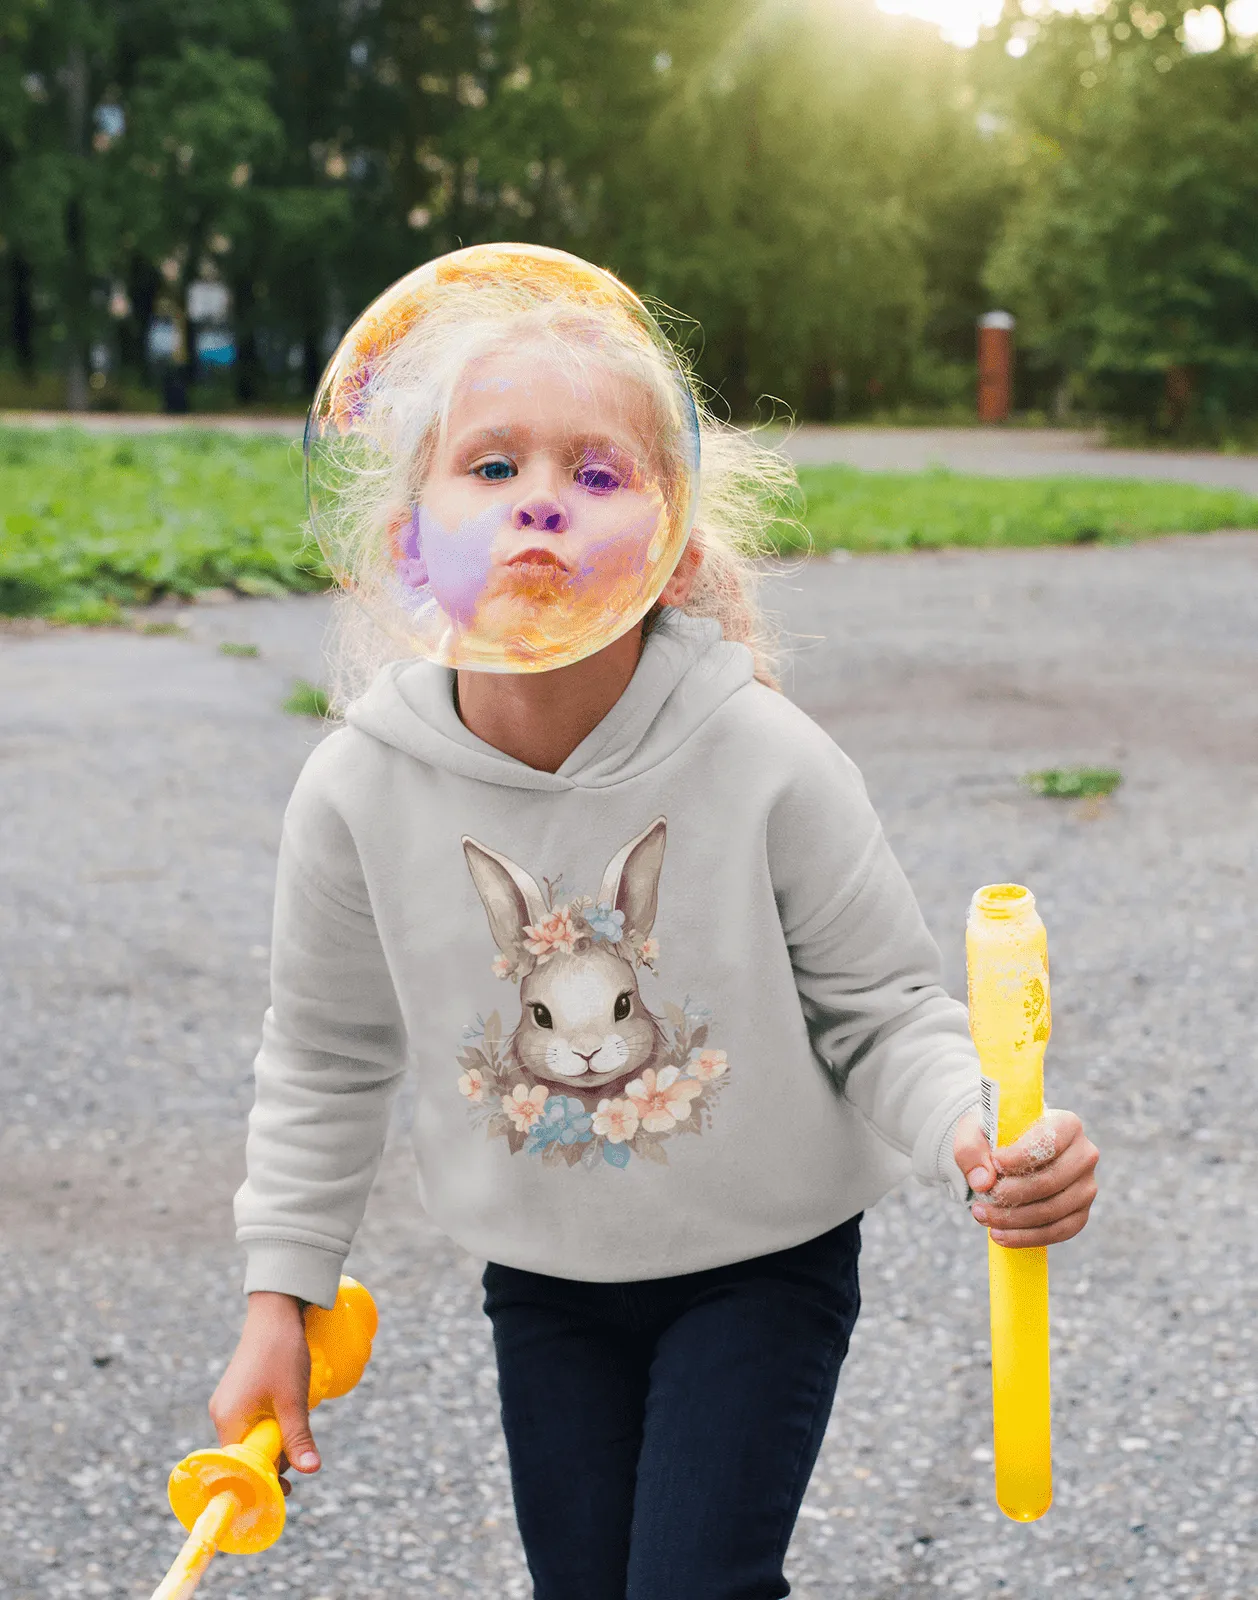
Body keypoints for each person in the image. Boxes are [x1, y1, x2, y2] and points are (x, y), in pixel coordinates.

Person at [209, 248, 1099, 1600]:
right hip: (545, 1279)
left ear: (671, 536)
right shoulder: (355, 790)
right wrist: (282, 1297)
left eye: (597, 474)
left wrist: (977, 1131)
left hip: (761, 1263)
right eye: (492, 467)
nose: (541, 509)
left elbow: (881, 1012)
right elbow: (324, 1059)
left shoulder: (765, 758)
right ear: (410, 534)